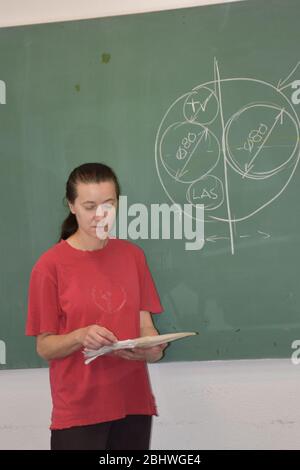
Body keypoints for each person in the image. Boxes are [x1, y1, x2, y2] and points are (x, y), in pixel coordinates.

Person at [26, 162, 166, 450]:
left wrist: (152, 349)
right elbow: (44, 347)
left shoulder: (132, 256)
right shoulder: (49, 266)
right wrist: (80, 336)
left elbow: (146, 328)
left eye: (109, 204)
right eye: (90, 206)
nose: (100, 215)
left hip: (132, 403)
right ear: (72, 205)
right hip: (79, 410)